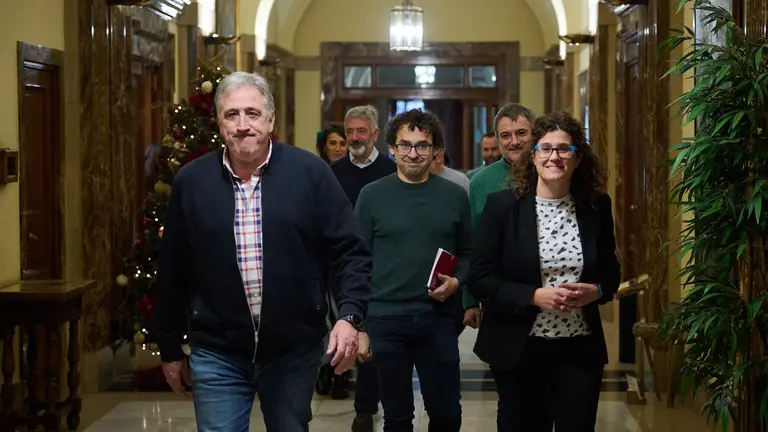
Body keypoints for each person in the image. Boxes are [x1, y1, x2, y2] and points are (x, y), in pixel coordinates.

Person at [154, 71, 371, 432]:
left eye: (252, 114)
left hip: (293, 349)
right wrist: (170, 347)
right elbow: (173, 267)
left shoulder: (311, 173)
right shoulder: (192, 182)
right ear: (219, 122)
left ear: (270, 120)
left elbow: (350, 251)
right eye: (232, 114)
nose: (242, 125)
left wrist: (349, 317)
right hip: (217, 350)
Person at [467, 111, 620, 431]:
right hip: (518, 348)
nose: (555, 157)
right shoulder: (502, 207)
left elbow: (611, 273)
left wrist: (598, 291)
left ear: (578, 159)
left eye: (564, 149)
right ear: (533, 156)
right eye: (546, 148)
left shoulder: (596, 206)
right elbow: (481, 278)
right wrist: (534, 296)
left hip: (579, 349)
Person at [356, 109, 472, 432]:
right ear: (391, 148)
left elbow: (470, 253)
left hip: (438, 320)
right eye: (404, 145)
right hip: (385, 320)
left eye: (422, 145)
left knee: (448, 414)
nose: (413, 153)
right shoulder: (372, 196)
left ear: (436, 150)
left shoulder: (455, 196)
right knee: (396, 416)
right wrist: (358, 324)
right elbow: (355, 261)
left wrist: (458, 280)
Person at [329, 105, 396, 431]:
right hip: (341, 268)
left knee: (372, 338)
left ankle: (365, 408)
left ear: (375, 134)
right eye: (350, 131)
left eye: (361, 131)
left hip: (381, 268)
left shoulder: (390, 170)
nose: (354, 137)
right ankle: (345, 389)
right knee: (347, 331)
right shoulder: (333, 172)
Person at [463, 103, 536, 330]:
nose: (514, 142)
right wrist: (470, 301)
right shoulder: (481, 182)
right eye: (506, 135)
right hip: (499, 293)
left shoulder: (551, 170)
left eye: (522, 133)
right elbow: (472, 243)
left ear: (535, 134)